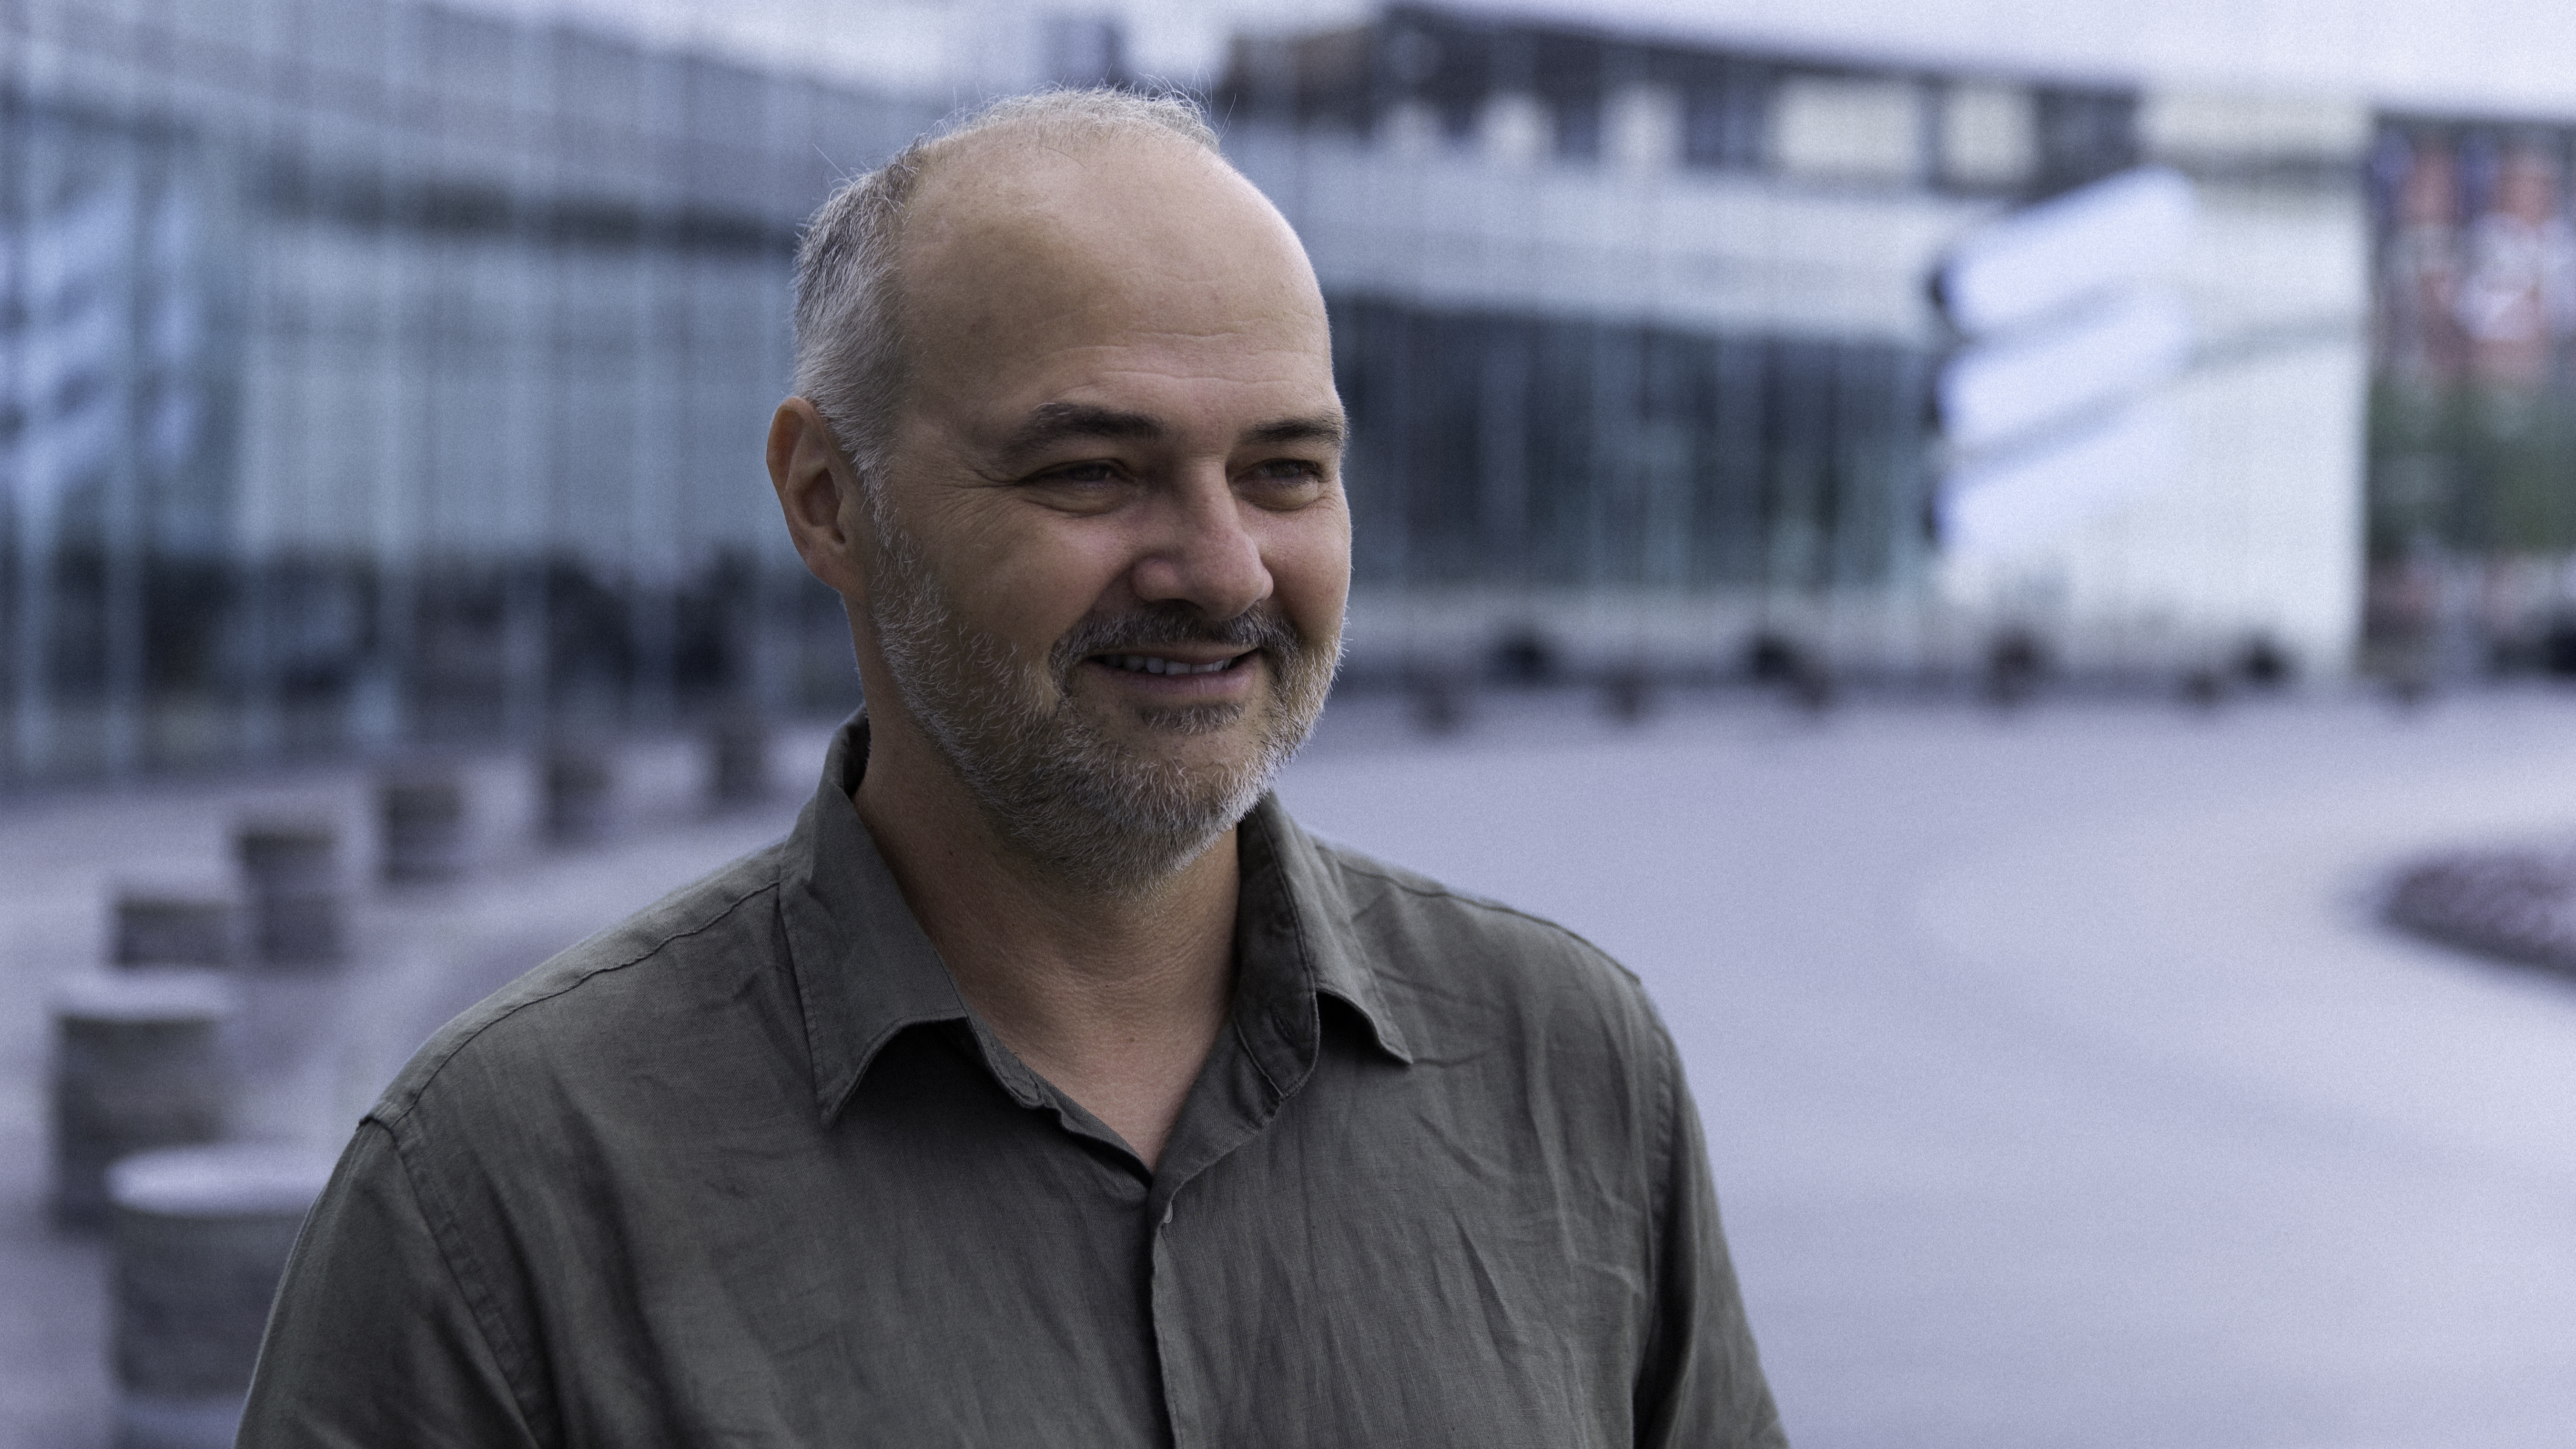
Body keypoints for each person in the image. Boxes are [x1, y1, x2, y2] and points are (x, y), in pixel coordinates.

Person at [239, 89, 1787, 1448]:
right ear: (827, 500)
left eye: (1285, 470)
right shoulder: (499, 1192)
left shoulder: (1573, 1069)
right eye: (1092, 471)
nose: (1222, 566)